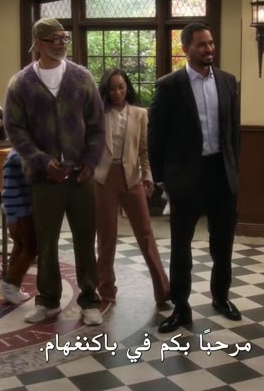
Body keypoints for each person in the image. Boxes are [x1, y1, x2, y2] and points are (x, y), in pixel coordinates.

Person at [3, 18, 105, 326]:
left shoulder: (82, 77)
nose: (61, 43)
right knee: (46, 243)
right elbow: (15, 130)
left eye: (64, 38)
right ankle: (47, 300)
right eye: (54, 38)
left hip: (81, 176)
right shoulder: (21, 83)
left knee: (85, 240)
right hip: (44, 179)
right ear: (38, 43)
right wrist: (42, 161)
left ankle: (90, 301)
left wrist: (90, 162)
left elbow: (97, 125)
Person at [148, 22, 241, 334]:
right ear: (186, 48)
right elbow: (156, 135)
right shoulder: (169, 86)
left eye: (211, 43)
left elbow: (233, 131)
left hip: (221, 172)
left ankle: (221, 298)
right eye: (202, 44)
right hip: (186, 175)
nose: (209, 49)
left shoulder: (227, 81)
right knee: (181, 246)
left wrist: (235, 168)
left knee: (223, 243)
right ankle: (181, 307)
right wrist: (161, 178)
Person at [94, 68, 169, 305]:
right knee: (106, 235)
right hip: (103, 178)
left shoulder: (140, 114)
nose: (117, 92)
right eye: (112, 88)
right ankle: (106, 290)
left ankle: (163, 290)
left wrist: (147, 176)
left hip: (131, 176)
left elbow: (144, 150)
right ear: (106, 90)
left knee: (145, 233)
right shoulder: (98, 114)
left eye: (121, 87)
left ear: (127, 88)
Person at [0, 149, 37, 305]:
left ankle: (10, 285)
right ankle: (11, 284)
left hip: (13, 209)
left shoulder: (14, 153)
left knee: (20, 246)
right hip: (20, 209)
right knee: (31, 248)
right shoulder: (19, 155)